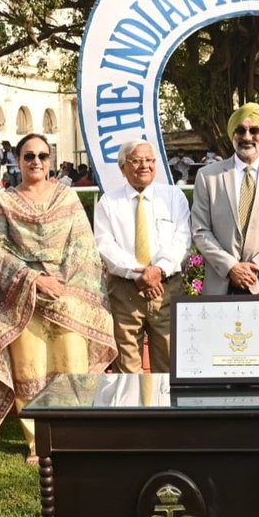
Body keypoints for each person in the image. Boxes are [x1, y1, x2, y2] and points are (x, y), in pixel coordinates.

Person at [0, 133, 116, 464]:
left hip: (66, 298)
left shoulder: (67, 197)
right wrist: (33, 280)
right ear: (17, 160)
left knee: (71, 367)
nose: (36, 162)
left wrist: (62, 286)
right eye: (29, 156)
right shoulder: (5, 202)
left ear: (51, 160)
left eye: (43, 156)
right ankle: (37, 442)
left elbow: (82, 246)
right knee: (31, 370)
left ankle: (75, 435)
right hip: (24, 301)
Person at [93, 140, 191, 374]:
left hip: (166, 289)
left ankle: (166, 410)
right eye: (136, 161)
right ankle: (133, 410)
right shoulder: (109, 202)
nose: (144, 166)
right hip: (126, 291)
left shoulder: (173, 197)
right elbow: (105, 245)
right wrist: (138, 274)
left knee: (169, 363)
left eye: (149, 160)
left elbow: (183, 239)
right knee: (127, 368)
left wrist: (157, 271)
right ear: (122, 167)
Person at [191, 102, 259, 295]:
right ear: (232, 134)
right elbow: (200, 230)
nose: (247, 137)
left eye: (254, 130)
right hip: (221, 283)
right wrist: (231, 266)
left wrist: (256, 266)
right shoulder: (208, 176)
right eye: (240, 130)